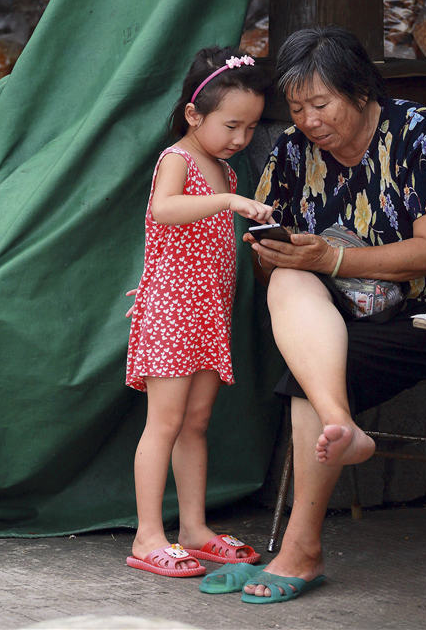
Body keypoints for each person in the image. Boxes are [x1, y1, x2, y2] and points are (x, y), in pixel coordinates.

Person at [206, 25, 426, 605]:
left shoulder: (414, 131)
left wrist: (333, 256)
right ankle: (342, 428)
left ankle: (301, 549)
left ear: (358, 91)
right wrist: (281, 252)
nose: (309, 121)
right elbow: (266, 269)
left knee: (310, 378)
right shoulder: (290, 151)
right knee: (289, 277)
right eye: (298, 107)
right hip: (332, 315)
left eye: (321, 103)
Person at [124, 46, 274, 578]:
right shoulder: (178, 159)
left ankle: (193, 528)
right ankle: (147, 537)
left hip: (208, 313)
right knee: (162, 424)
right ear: (194, 115)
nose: (240, 138)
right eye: (231, 125)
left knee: (196, 422)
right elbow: (163, 211)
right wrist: (230, 204)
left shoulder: (223, 169)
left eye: (251, 128)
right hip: (172, 312)